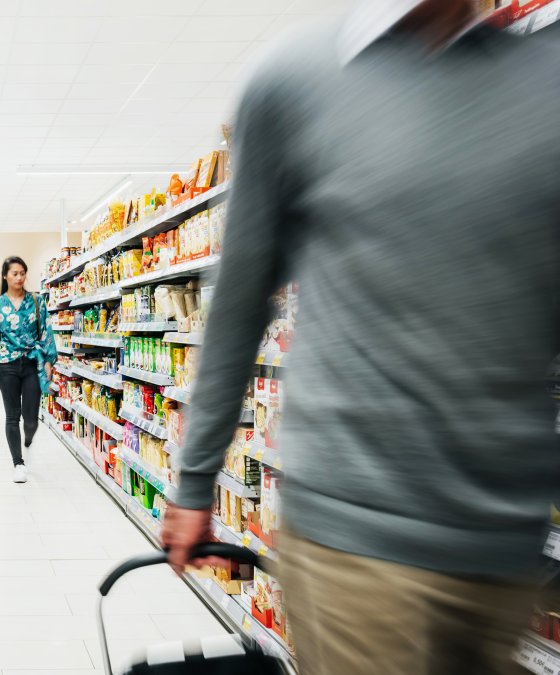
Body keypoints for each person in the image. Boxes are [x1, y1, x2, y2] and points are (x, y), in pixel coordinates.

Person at [161, 2, 560, 674]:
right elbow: (239, 300)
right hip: (356, 542)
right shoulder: (296, 76)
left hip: (506, 547)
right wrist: (196, 478)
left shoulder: (540, 78)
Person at [0, 256, 56, 483]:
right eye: (15, 273)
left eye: (22, 273)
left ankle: (29, 436)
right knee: (12, 416)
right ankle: (18, 463)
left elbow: (45, 331)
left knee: (31, 417)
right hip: (7, 365)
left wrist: (49, 360)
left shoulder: (36, 301)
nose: (19, 277)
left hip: (32, 362)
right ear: (5, 276)